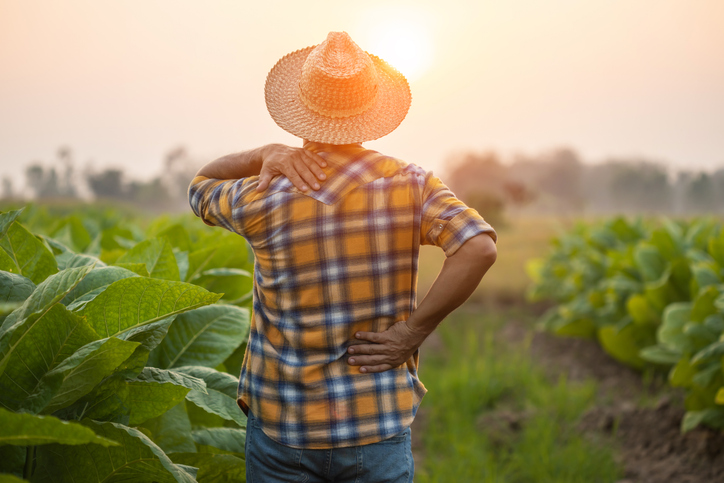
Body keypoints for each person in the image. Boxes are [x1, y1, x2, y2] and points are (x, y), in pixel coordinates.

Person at [188, 31, 497, 483]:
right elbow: (479, 247)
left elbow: (200, 186)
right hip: (375, 421)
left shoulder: (263, 193)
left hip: (284, 424)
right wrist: (413, 331)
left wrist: (263, 155)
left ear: (301, 111)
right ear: (371, 112)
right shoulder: (410, 184)